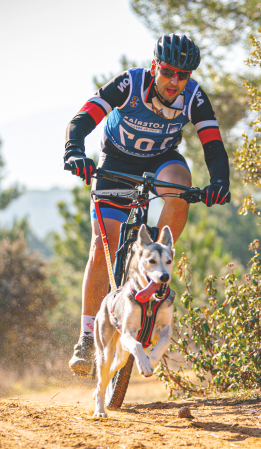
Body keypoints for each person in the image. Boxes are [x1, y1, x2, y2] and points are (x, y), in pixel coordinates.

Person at [64, 33, 231, 377]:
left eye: (182, 75)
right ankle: (85, 335)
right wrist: (74, 152)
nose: (174, 81)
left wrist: (219, 183)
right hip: (115, 163)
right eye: (168, 71)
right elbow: (81, 121)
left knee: (181, 186)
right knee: (102, 244)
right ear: (155, 66)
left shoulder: (193, 97)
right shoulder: (129, 83)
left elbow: (212, 144)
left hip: (160, 161)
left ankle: (155, 254)